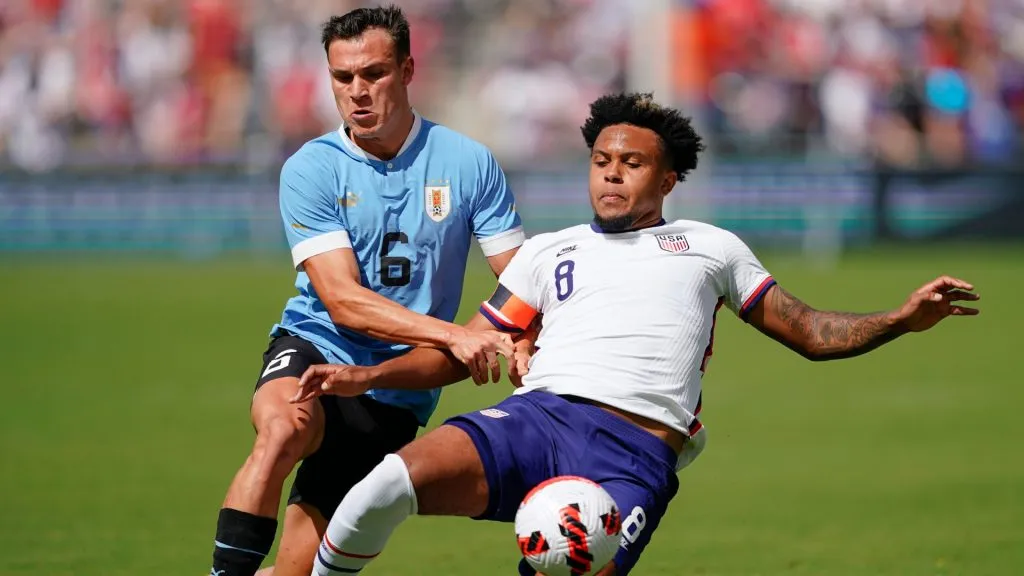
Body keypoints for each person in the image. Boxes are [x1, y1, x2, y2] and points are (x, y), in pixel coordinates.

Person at [295, 92, 981, 576]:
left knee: (563, 566)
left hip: (633, 453)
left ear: (668, 178)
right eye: (601, 161)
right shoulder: (547, 252)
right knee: (383, 486)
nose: (612, 174)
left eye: (631, 163)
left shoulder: (712, 247)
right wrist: (369, 376)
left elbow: (806, 330)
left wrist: (899, 319)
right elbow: (464, 350)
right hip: (536, 417)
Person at [208, 6, 528, 576]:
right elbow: (342, 300)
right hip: (316, 346)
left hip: (396, 391)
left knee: (295, 573)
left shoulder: (467, 163)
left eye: (374, 73)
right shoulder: (312, 167)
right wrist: (455, 336)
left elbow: (521, 279)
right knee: (282, 429)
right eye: (342, 77)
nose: (357, 91)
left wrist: (525, 335)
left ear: (407, 70)